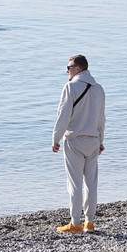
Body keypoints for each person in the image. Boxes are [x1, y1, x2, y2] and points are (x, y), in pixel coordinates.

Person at [51, 54, 106, 234]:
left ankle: (75, 222)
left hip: (75, 139)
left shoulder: (70, 86)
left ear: (78, 68)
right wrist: (101, 140)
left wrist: (55, 138)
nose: (66, 71)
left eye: (69, 68)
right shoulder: (99, 89)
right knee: (91, 183)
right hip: (93, 139)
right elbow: (101, 118)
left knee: (75, 184)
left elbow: (63, 115)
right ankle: (89, 222)